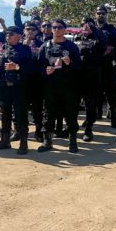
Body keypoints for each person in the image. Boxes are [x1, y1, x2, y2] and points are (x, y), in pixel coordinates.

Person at [0, 25, 35, 154]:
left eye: (11, 34)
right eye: (7, 34)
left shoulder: (25, 49)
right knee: (5, 115)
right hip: (3, 87)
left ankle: (23, 143)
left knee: (20, 115)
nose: (8, 36)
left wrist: (17, 67)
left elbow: (30, 69)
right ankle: (4, 140)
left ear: (19, 36)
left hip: (19, 87)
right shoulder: (1, 49)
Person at [38, 19, 83, 153]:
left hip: (68, 86)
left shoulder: (71, 47)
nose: (57, 30)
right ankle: (47, 141)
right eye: (54, 27)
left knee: (70, 114)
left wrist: (70, 63)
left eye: (60, 27)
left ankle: (73, 141)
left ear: (64, 30)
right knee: (49, 113)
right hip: (51, 86)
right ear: (51, 30)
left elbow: (79, 67)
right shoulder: (45, 46)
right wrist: (45, 70)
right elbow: (37, 66)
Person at [73, 17, 107, 141]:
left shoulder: (98, 39)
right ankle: (72, 128)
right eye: (83, 25)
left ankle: (88, 130)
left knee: (90, 105)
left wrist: (94, 29)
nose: (85, 27)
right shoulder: (77, 38)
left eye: (89, 25)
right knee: (74, 104)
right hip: (78, 77)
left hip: (92, 77)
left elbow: (104, 42)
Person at [15, 22, 44, 143]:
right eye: (28, 29)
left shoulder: (42, 45)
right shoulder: (18, 44)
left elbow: (45, 62)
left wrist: (37, 53)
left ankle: (38, 132)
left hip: (36, 81)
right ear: (24, 31)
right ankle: (18, 131)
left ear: (37, 32)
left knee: (37, 109)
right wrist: (24, 48)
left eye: (33, 29)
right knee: (20, 108)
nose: (30, 31)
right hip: (21, 81)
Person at [95, 6, 116, 128]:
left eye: (103, 13)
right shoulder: (91, 28)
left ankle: (113, 118)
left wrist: (111, 48)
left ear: (106, 15)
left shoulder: (112, 29)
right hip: (95, 65)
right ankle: (96, 114)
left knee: (110, 92)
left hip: (109, 65)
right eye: (99, 13)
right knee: (96, 92)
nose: (101, 15)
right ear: (95, 14)